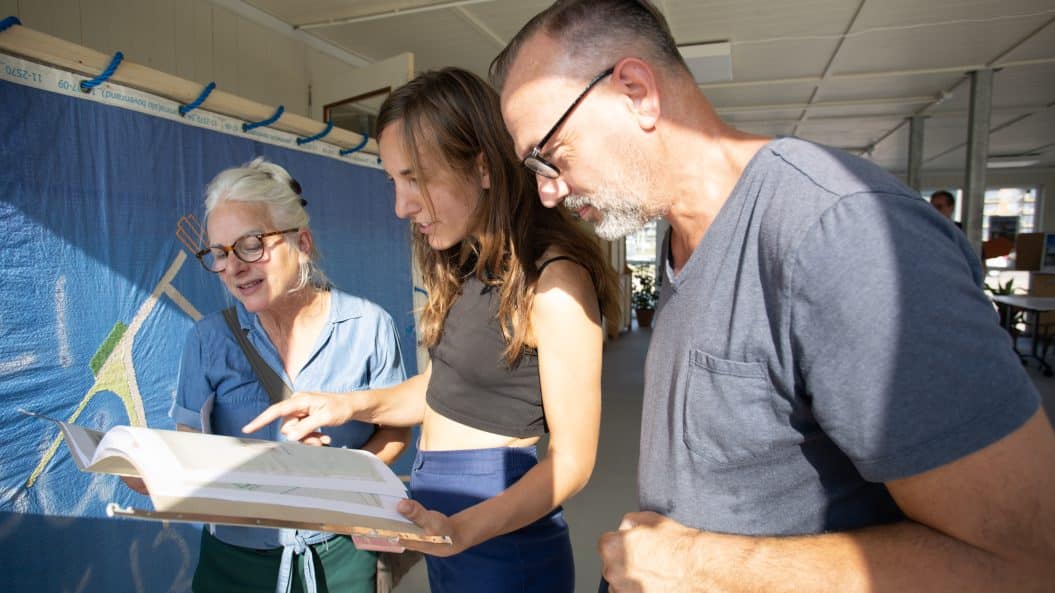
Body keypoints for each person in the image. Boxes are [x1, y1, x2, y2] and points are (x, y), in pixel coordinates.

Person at [490, 1, 1055, 592]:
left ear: (635, 92)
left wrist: (696, 565)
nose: (547, 193)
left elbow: (1021, 562)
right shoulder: (679, 233)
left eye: (548, 155)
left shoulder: (839, 233)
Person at [244, 68, 621, 593]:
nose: (402, 206)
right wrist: (349, 405)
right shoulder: (470, 263)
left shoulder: (555, 283)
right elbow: (446, 391)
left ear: (483, 167)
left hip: (499, 538)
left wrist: (462, 531)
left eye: (416, 179)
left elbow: (573, 463)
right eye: (394, 182)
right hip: (446, 526)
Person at [128, 157, 410, 593]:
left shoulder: (368, 326)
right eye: (219, 254)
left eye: (250, 244)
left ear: (303, 243)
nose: (234, 267)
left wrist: (339, 474)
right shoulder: (206, 341)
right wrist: (160, 473)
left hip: (338, 557)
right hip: (233, 562)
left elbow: (396, 434)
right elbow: (191, 444)